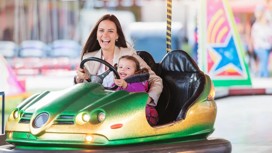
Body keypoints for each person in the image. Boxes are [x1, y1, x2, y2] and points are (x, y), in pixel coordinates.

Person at [74, 14, 163, 107]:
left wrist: (148, 98)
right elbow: (82, 91)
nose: (105, 35)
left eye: (110, 31)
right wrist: (79, 78)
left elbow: (155, 80)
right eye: (101, 31)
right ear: (96, 35)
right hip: (95, 108)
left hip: (121, 108)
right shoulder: (88, 58)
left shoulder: (128, 54)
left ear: (117, 36)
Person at [114, 55, 159, 125]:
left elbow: (139, 95)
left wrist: (125, 85)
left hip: (144, 114)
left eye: (128, 68)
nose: (123, 69)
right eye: (120, 67)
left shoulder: (137, 82)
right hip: (127, 111)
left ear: (135, 72)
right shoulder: (117, 82)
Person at [251, 5, 272, 77]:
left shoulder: (268, 25)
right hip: (260, 46)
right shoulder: (256, 26)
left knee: (264, 61)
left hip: (267, 46)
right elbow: (255, 37)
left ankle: (262, 75)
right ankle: (263, 75)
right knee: (264, 60)